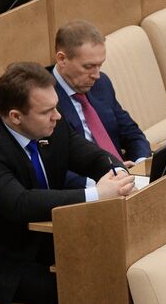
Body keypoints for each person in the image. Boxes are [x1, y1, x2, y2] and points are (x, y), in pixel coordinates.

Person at [0, 62, 134, 304]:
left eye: (55, 107)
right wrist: (97, 194)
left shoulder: (48, 121)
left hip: (36, 234)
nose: (58, 116)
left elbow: (90, 155)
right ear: (16, 116)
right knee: (64, 288)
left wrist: (118, 174)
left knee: (104, 258)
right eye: (47, 111)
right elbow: (19, 203)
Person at [49, 20, 150, 188]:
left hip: (126, 177)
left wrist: (142, 165)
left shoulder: (101, 83)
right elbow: (54, 167)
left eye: (100, 65)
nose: (96, 75)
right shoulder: (45, 98)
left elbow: (132, 133)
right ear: (62, 59)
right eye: (89, 66)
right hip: (90, 190)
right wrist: (100, 185)